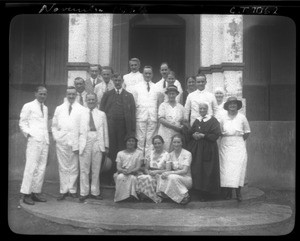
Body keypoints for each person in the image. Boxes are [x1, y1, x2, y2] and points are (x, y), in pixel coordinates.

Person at [100, 73, 136, 186]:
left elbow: (133, 113)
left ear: (122, 81)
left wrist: (131, 131)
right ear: (112, 81)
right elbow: (101, 112)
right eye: (115, 80)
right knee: (111, 151)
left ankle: (122, 177)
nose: (117, 82)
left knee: (122, 150)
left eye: (119, 80)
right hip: (110, 128)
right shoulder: (107, 94)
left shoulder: (129, 96)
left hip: (123, 128)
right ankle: (110, 177)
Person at [52, 86, 84, 201]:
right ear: (66, 95)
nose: (71, 96)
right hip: (62, 141)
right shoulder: (59, 108)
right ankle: (63, 190)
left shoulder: (81, 109)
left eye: (73, 94)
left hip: (74, 141)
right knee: (63, 166)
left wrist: (79, 143)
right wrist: (56, 137)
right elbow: (54, 126)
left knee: (74, 166)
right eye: (69, 94)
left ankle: (72, 189)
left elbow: (83, 128)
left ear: (76, 95)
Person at [19, 86, 49, 205]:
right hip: (34, 140)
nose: (43, 96)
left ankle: (36, 192)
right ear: (35, 93)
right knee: (31, 167)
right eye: (40, 93)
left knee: (41, 168)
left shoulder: (45, 108)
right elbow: (22, 122)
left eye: (45, 94)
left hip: (44, 141)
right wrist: (30, 134)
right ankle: (26, 194)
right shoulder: (28, 106)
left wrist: (46, 140)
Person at [219, 96, 251, 202]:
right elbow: (219, 131)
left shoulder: (242, 117)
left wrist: (238, 140)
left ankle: (238, 192)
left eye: (234, 104)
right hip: (225, 144)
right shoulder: (223, 118)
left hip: (238, 144)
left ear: (237, 106)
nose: (232, 105)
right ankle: (228, 192)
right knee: (226, 169)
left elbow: (247, 132)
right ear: (227, 106)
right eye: (230, 104)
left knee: (238, 168)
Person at [187, 102, 222, 201]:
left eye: (204, 109)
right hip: (197, 150)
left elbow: (215, 135)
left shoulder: (213, 121)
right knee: (198, 170)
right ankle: (198, 192)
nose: (202, 110)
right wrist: (193, 135)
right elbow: (191, 132)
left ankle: (207, 194)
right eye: (200, 109)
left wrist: (204, 135)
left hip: (209, 149)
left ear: (207, 110)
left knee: (207, 170)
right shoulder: (197, 120)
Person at [78, 93, 109, 202]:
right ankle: (84, 192)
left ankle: (95, 192)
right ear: (86, 101)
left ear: (96, 101)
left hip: (97, 140)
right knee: (84, 168)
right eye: (89, 100)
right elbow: (76, 130)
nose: (91, 102)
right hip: (85, 141)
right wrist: (76, 145)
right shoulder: (81, 113)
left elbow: (105, 130)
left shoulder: (101, 114)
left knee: (96, 168)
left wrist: (106, 145)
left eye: (93, 100)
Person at [132, 66, 160, 157]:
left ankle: (148, 163)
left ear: (152, 74)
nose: (147, 75)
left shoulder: (156, 87)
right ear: (143, 74)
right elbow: (134, 103)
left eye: (149, 73)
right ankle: (140, 163)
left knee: (150, 141)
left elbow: (158, 103)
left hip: (152, 117)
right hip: (140, 116)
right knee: (140, 140)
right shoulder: (136, 87)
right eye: (146, 73)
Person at [156, 134, 192, 205]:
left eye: (178, 142)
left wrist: (170, 173)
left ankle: (185, 196)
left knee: (172, 177)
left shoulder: (187, 154)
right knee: (161, 176)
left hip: (186, 179)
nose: (176, 144)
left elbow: (185, 171)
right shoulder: (170, 155)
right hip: (174, 178)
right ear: (172, 143)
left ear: (182, 143)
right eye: (174, 142)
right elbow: (168, 169)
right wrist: (164, 173)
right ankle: (169, 196)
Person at [136, 135, 169, 203]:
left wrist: (157, 172)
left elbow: (168, 170)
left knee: (148, 179)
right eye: (155, 143)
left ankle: (154, 197)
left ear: (163, 143)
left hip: (161, 175)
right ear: (153, 144)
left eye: (159, 143)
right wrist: (148, 173)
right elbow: (146, 168)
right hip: (151, 174)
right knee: (141, 177)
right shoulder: (150, 154)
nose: (157, 145)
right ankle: (144, 196)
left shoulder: (167, 155)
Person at [114, 136, 143, 202]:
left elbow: (138, 167)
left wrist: (131, 171)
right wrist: (122, 170)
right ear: (126, 143)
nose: (131, 143)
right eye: (129, 141)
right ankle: (121, 198)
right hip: (123, 172)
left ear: (135, 143)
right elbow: (118, 167)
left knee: (132, 178)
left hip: (134, 172)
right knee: (120, 177)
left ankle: (132, 196)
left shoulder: (139, 153)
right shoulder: (120, 153)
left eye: (133, 141)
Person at [157, 85, 186, 152]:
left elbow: (184, 121)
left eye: (173, 94)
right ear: (167, 94)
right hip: (165, 132)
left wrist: (182, 126)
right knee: (164, 151)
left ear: (176, 94)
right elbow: (161, 119)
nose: (171, 95)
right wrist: (174, 127)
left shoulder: (180, 107)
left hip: (176, 133)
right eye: (170, 94)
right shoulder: (163, 105)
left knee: (174, 151)